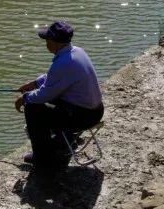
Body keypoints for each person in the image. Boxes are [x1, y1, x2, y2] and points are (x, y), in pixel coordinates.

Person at [15, 20, 104, 171]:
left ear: (55, 42)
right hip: (96, 110)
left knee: (32, 108)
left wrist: (24, 98)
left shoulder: (63, 63)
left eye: (47, 40)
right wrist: (34, 83)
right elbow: (54, 78)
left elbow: (44, 94)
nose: (46, 44)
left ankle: (43, 159)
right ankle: (65, 140)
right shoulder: (77, 52)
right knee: (51, 98)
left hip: (84, 117)